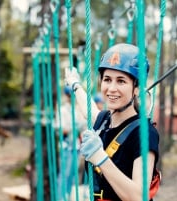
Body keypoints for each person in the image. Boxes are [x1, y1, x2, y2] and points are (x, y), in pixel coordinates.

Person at [65, 43, 160, 201]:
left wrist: (101, 158)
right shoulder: (105, 120)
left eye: (121, 81)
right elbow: (89, 110)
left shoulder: (144, 133)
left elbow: (139, 196)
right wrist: (75, 84)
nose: (111, 88)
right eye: (107, 80)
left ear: (136, 88)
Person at [56, 86, 86, 200]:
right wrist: (72, 128)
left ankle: (67, 197)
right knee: (64, 174)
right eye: (69, 96)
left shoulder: (77, 110)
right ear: (66, 96)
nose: (71, 98)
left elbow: (83, 125)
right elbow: (61, 129)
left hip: (76, 147)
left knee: (72, 175)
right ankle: (60, 198)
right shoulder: (63, 110)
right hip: (66, 147)